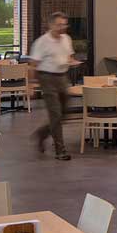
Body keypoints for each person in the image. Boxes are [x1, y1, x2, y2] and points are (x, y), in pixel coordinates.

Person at [28, 12, 80, 160]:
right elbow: (33, 65)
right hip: (47, 78)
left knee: (65, 112)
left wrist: (71, 61)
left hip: (62, 77)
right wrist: (31, 85)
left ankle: (42, 133)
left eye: (64, 24)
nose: (62, 27)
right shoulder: (41, 42)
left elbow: (69, 56)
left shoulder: (66, 39)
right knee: (55, 113)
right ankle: (60, 150)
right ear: (51, 25)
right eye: (59, 25)